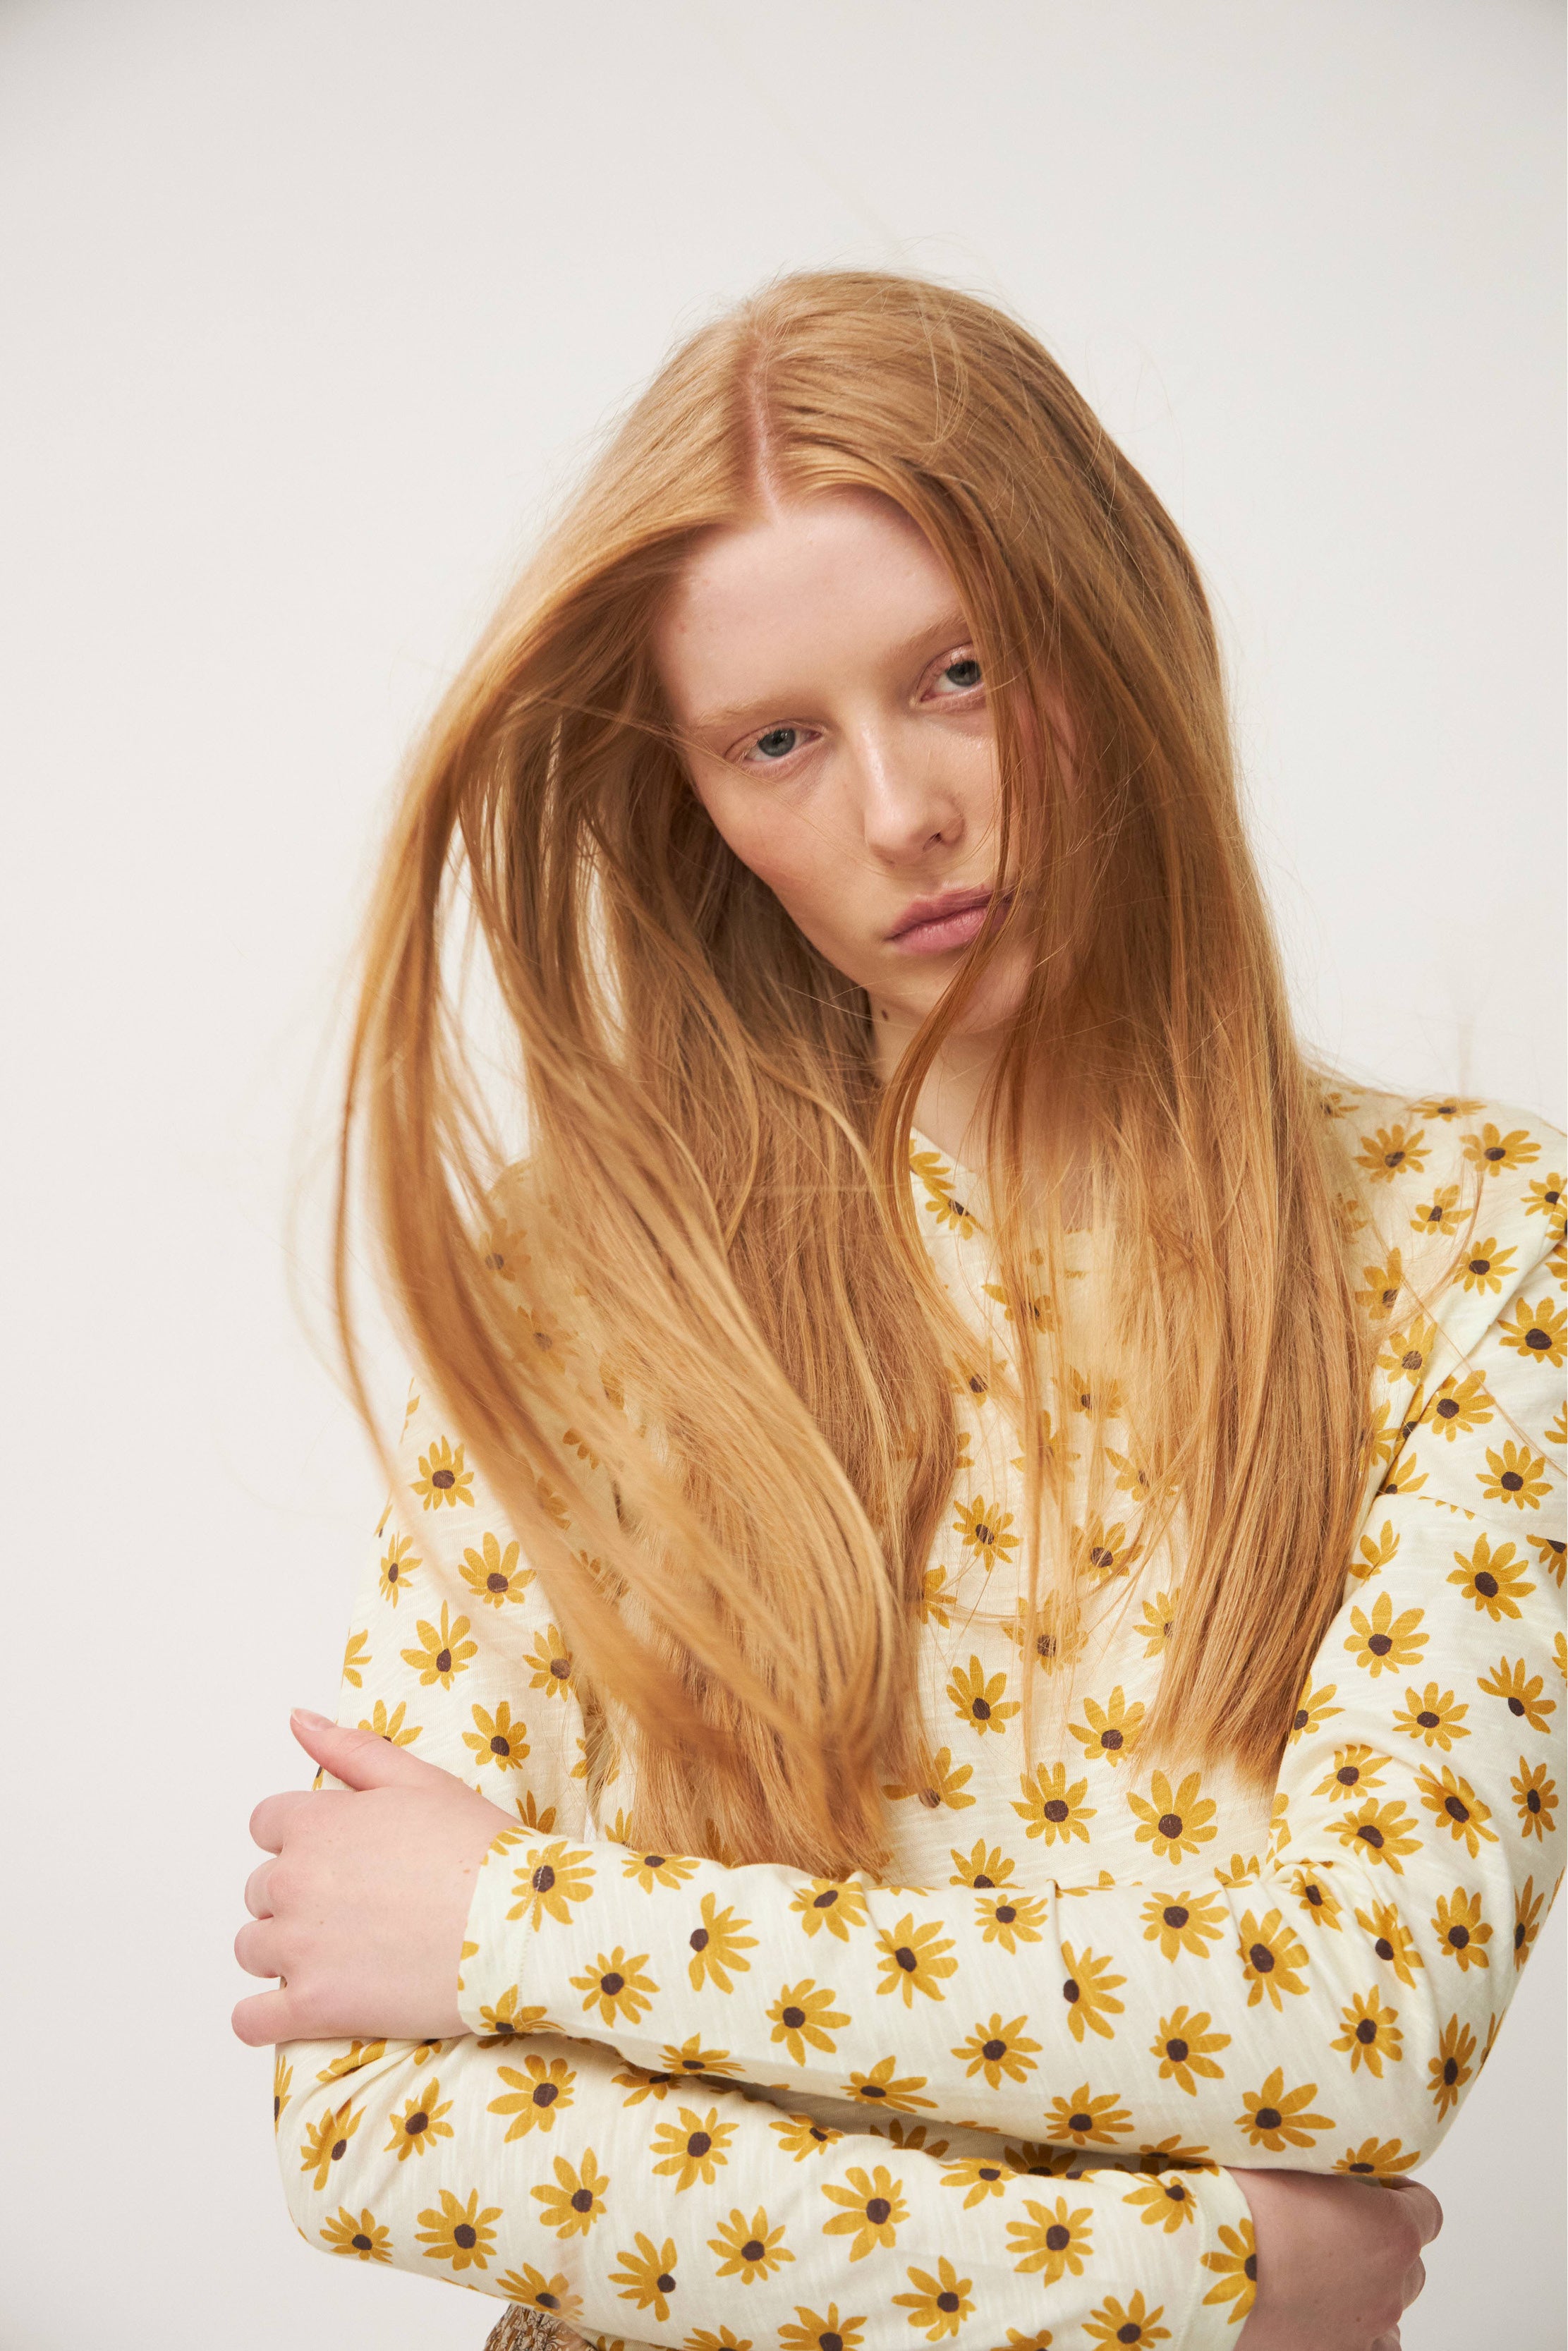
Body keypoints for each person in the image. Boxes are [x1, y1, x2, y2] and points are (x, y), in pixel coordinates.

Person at [233, 271, 1564, 2351]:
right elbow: (375, 2123)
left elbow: (1357, 2023)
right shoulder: (593, 1284)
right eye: (778, 740)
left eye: (959, 673)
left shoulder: (1485, 1249)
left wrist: (519, 1920)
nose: (896, 814)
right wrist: (1185, 2283)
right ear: (699, 801)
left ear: (1110, 628)